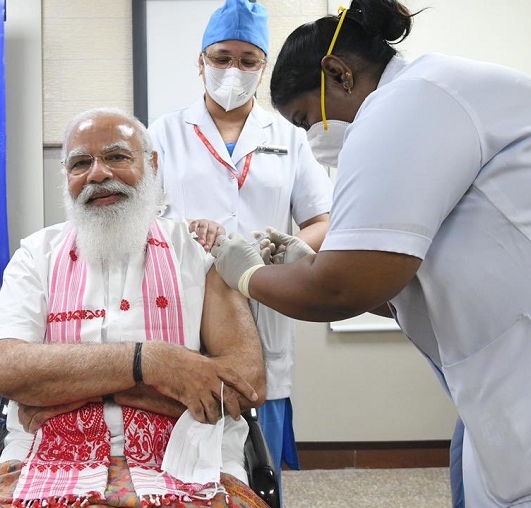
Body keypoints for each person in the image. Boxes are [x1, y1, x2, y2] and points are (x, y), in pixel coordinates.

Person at [209, 0, 531, 506]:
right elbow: (401, 281)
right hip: (528, 363)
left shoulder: (408, 102)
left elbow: (342, 288)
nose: (313, 139)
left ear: (338, 74)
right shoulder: (434, 94)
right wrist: (305, 265)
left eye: (306, 120)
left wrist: (247, 272)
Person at [0, 107, 269, 508]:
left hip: (186, 459)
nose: (98, 174)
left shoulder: (201, 252)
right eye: (81, 163)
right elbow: (8, 370)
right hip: (45, 458)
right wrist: (154, 363)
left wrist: (72, 388)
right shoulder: (35, 255)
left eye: (117, 156)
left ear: (151, 164)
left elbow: (245, 381)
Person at [148, 0, 334, 493]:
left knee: (259, 447)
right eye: (222, 57)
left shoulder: (288, 136)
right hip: (187, 299)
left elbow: (323, 218)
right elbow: (142, 220)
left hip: (267, 297)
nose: (234, 70)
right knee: (187, 439)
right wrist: (185, 232)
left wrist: (283, 244)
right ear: (201, 60)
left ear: (263, 66)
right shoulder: (164, 133)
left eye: (248, 60)